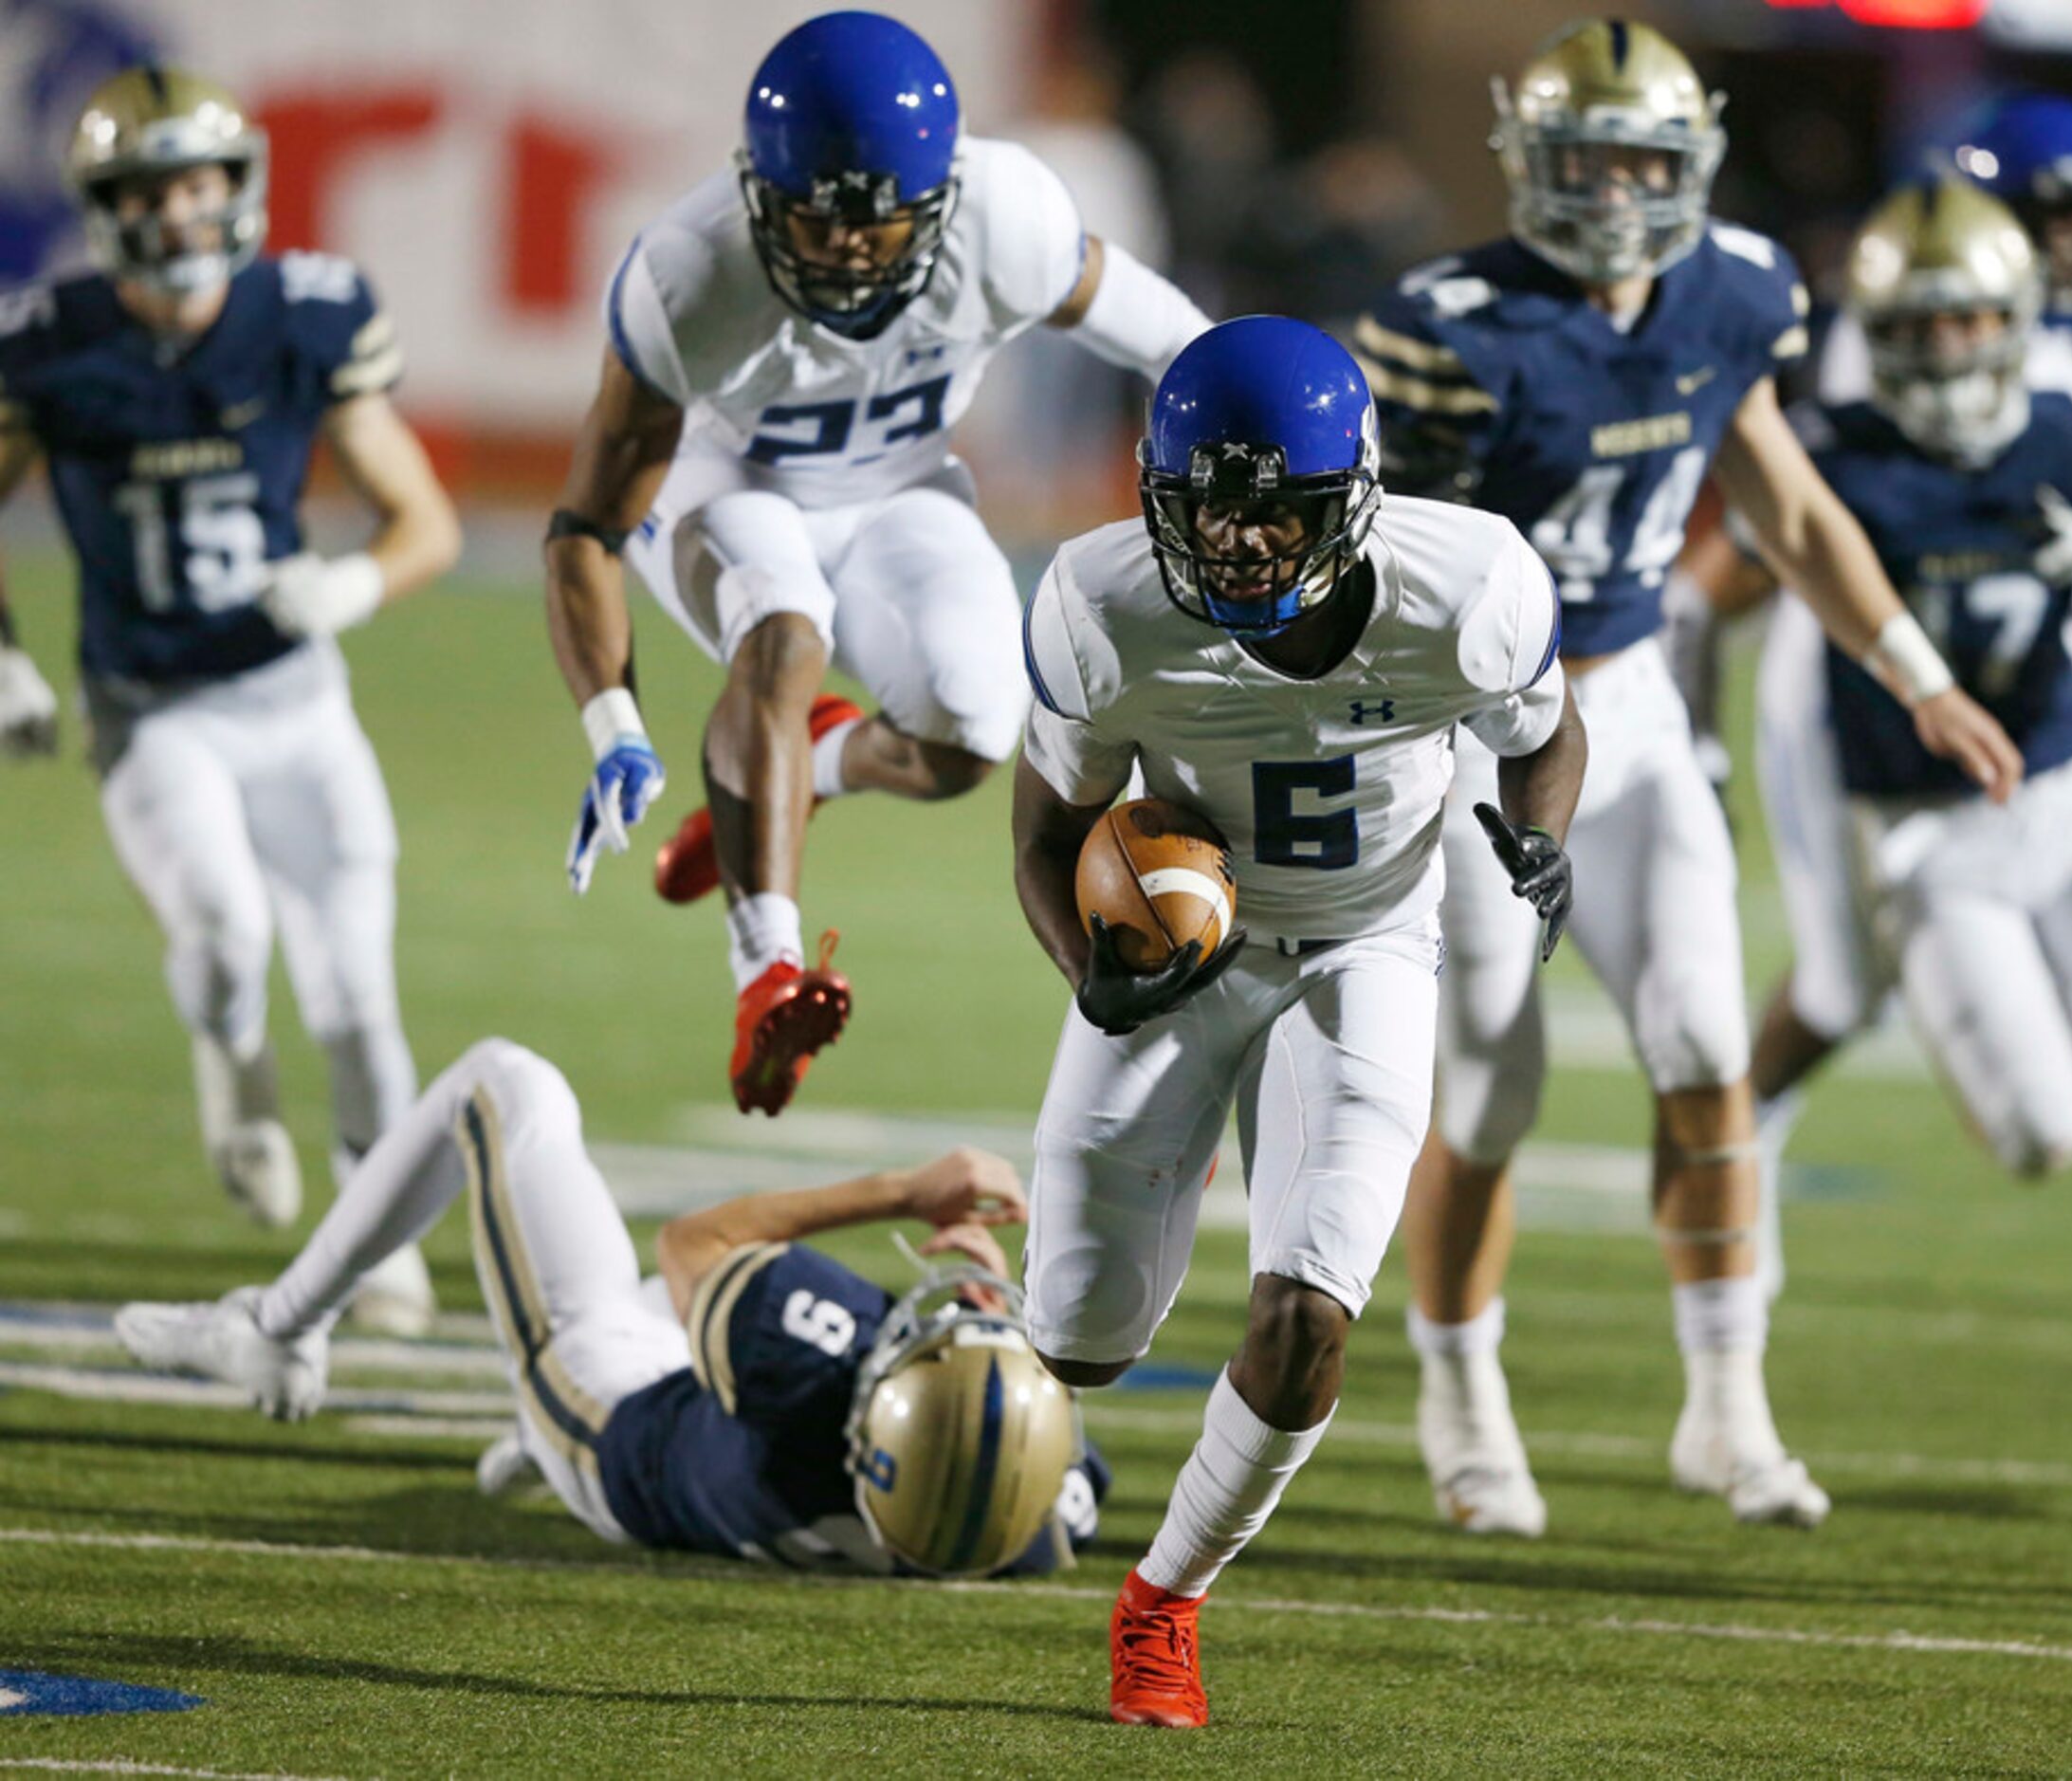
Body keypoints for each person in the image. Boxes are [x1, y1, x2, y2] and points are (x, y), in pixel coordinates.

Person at [1350, 19, 2019, 1537]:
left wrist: (1917, 674)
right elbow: (1372, 566)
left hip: (1639, 707)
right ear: (1532, 165)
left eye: (1642, 159)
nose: (1613, 190)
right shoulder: (1451, 327)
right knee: (1490, 1087)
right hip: (1475, 732)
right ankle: (1464, 1395)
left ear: (1692, 163)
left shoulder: (1736, 290)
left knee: (1710, 1049)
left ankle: (1728, 1413)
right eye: (1584, 160)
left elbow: (1783, 502)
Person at [1014, 316, 1587, 1726]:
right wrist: (1091, 970)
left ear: (1355, 500)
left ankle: (1162, 1606)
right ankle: (1001, 1256)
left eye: (1280, 512)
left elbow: (1547, 735)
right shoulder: (1103, 604)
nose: (1244, 545)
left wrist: (1539, 837)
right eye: (1211, 508)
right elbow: (1044, 831)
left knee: (1306, 1313)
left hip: (1366, 945)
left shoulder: (1469, 589)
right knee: (1078, 1345)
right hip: (1179, 942)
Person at [1669, 95, 2072, 1378]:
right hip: (1857, 670)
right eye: (2041, 219)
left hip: (2036, 700)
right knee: (1845, 983)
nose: (2068, 249)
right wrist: (1704, 740)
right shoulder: (1856, 396)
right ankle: (1745, 1145)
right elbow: (1804, 555)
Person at [541, 10, 1209, 1118]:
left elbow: (1169, 338)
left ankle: (814, 762)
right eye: (819, 219)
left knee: (969, 733)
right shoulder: (689, 275)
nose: (850, 249)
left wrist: (1249, 439)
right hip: (728, 482)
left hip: (900, 482)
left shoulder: (1009, 217)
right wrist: (610, 718)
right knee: (782, 629)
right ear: (757, 196)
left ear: (941, 202)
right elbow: (584, 523)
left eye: (879, 222)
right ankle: (766, 970)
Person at [0, 67, 460, 1333]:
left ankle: (373, 1223)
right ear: (111, 206)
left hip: (297, 698)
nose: (183, 210)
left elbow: (422, 517)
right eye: (154, 188)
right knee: (217, 925)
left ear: (236, 187)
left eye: (199, 181)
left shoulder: (305, 315)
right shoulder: (51, 341)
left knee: (358, 989)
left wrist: (353, 586)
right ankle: (233, 1071)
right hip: (152, 707)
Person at [117, 1036, 1109, 1574]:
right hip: (719, 1428)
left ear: (869, 1409)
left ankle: (277, 1331)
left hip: (607, 1413)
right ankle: (527, 1432)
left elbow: (695, 1246)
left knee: (504, 1084)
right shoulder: (1027, 1519)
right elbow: (1000, 1443)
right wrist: (989, 1333)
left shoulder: (809, 1377)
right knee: (706, 1318)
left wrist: (901, 1192)